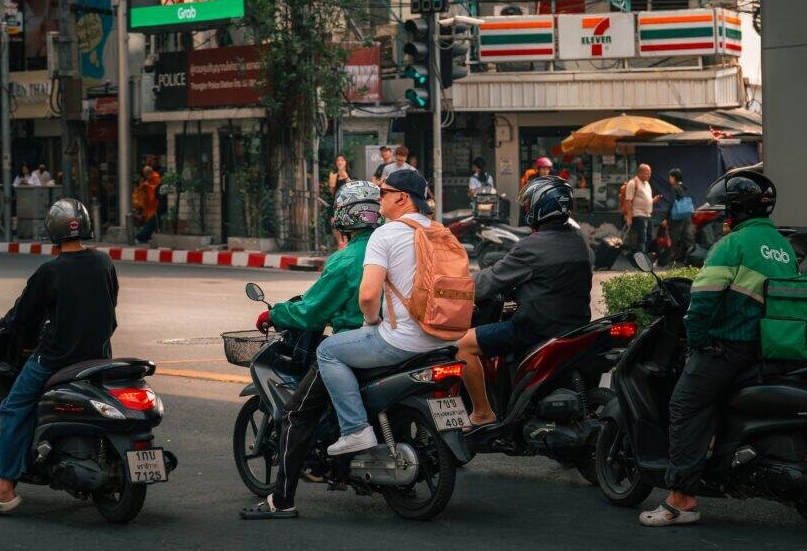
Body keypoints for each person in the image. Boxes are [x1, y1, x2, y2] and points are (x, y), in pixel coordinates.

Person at [639, 169, 798, 527]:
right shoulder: (782, 245)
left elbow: (705, 301)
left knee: (684, 404)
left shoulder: (731, 245)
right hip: (769, 346)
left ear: (736, 211)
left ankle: (681, 499)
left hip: (731, 345)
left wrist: (696, 340)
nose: (723, 217)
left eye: (726, 210)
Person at [240, 181, 384, 520]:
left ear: (343, 215)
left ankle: (282, 499)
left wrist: (274, 313)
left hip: (355, 343)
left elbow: (313, 312)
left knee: (295, 414)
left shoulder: (346, 258)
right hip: (397, 340)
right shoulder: (389, 247)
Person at [0, 199, 119, 516]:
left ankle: (3, 491)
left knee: (13, 408)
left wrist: (0, 326)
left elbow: (24, 317)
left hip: (57, 359)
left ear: (52, 232)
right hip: (99, 357)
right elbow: (111, 302)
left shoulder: (50, 271)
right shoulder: (103, 262)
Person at [316, 170, 449, 456]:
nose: (379, 199)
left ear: (402, 198)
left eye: (384, 192)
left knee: (328, 350)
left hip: (404, 340)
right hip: (446, 339)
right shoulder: (440, 231)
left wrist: (372, 321)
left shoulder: (385, 233)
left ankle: (355, 430)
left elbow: (367, 296)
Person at [456, 176, 593, 426]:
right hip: (576, 326)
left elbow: (488, 282)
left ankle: (482, 413)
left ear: (541, 207)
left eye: (529, 204)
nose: (526, 209)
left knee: (462, 344)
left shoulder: (532, 245)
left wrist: (455, 287)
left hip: (535, 328)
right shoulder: (579, 241)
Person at [622, 163, 662, 256]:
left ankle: (638, 255)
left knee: (650, 237)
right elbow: (628, 200)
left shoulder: (647, 184)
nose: (649, 175)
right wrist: (629, 217)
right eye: (647, 173)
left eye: (650, 173)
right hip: (638, 214)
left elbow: (645, 199)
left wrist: (653, 200)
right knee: (642, 238)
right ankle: (640, 258)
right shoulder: (633, 183)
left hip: (648, 215)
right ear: (640, 173)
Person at [666, 168, 695, 265]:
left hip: (676, 217)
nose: (669, 179)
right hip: (686, 216)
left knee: (673, 238)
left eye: (670, 177)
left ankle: (671, 261)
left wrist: (666, 218)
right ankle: (691, 258)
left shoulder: (674, 188)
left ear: (674, 178)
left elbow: (671, 204)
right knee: (688, 238)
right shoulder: (685, 187)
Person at [135, 166, 162, 244]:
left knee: (151, 222)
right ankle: (147, 237)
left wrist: (148, 186)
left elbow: (156, 190)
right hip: (147, 205)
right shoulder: (146, 180)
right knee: (148, 221)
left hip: (154, 205)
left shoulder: (156, 178)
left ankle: (143, 237)